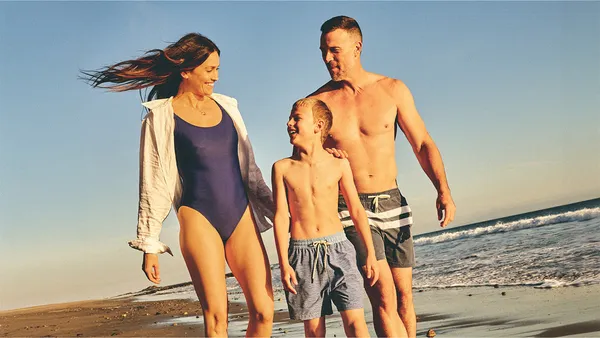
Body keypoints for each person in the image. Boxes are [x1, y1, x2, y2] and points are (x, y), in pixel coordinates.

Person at [80, 33, 275, 337]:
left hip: (241, 214)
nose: (216, 77)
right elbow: (153, 180)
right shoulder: (160, 117)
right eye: (209, 70)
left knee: (264, 311)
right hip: (199, 217)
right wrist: (149, 244)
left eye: (218, 69)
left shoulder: (228, 108)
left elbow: (250, 168)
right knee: (216, 319)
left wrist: (278, 207)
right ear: (186, 71)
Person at [307, 16, 457, 338]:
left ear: (357, 47)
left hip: (392, 201)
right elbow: (305, 160)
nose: (327, 59)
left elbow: (422, 143)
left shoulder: (392, 90)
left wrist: (443, 189)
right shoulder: (318, 104)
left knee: (404, 297)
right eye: (323, 51)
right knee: (383, 296)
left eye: (335, 50)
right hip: (350, 209)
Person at [271, 98, 380, 337]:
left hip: (339, 250)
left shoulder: (339, 164)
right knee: (313, 330)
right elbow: (281, 217)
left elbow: (356, 210)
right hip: (301, 255)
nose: (289, 123)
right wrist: (284, 263)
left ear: (318, 126)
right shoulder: (282, 168)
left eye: (296, 118)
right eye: (290, 118)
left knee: (356, 324)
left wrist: (370, 253)